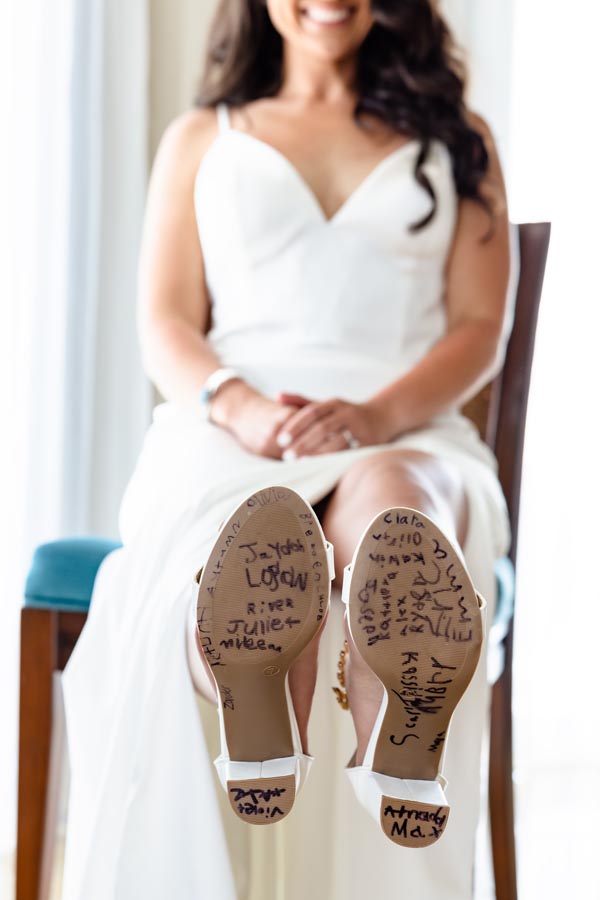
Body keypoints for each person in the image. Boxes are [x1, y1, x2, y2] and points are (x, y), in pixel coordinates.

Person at [60, 1, 512, 898]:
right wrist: (243, 408)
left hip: (403, 419)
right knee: (246, 537)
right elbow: (166, 323)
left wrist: (377, 415)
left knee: (400, 509)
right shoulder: (203, 137)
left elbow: (477, 329)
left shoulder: (458, 140)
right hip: (236, 427)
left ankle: (391, 720)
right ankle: (257, 682)